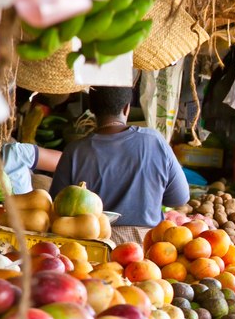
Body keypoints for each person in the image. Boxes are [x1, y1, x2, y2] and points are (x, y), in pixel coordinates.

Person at [50, 87, 190, 244]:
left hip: (91, 249)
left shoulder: (74, 151)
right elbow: (179, 198)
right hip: (148, 251)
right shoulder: (154, 141)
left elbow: (57, 209)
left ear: (91, 109)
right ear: (126, 108)